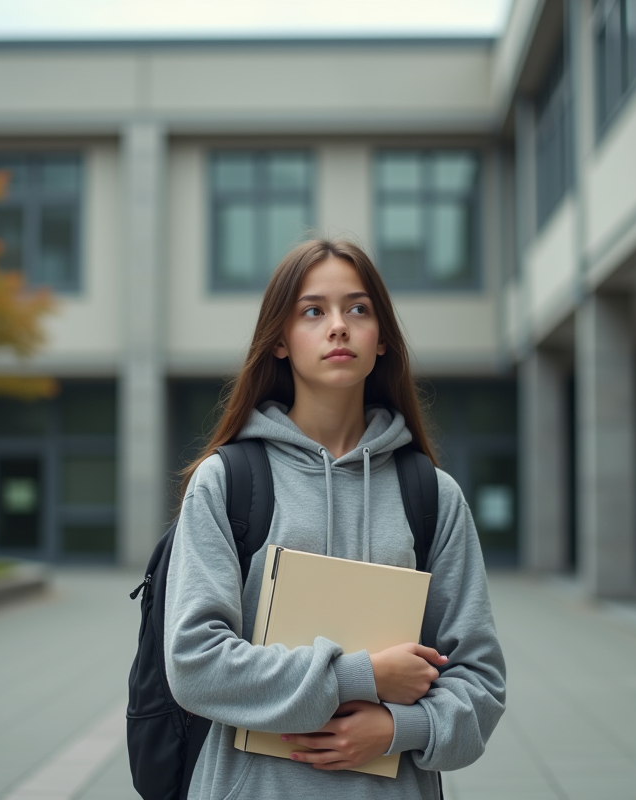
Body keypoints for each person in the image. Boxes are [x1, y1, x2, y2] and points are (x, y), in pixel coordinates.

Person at [165, 239, 506, 800]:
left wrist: (400, 728)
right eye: (312, 311)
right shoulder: (227, 483)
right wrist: (362, 676)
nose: (339, 327)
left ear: (382, 341)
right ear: (279, 340)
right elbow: (194, 663)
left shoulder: (432, 496)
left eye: (358, 308)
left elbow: (482, 683)